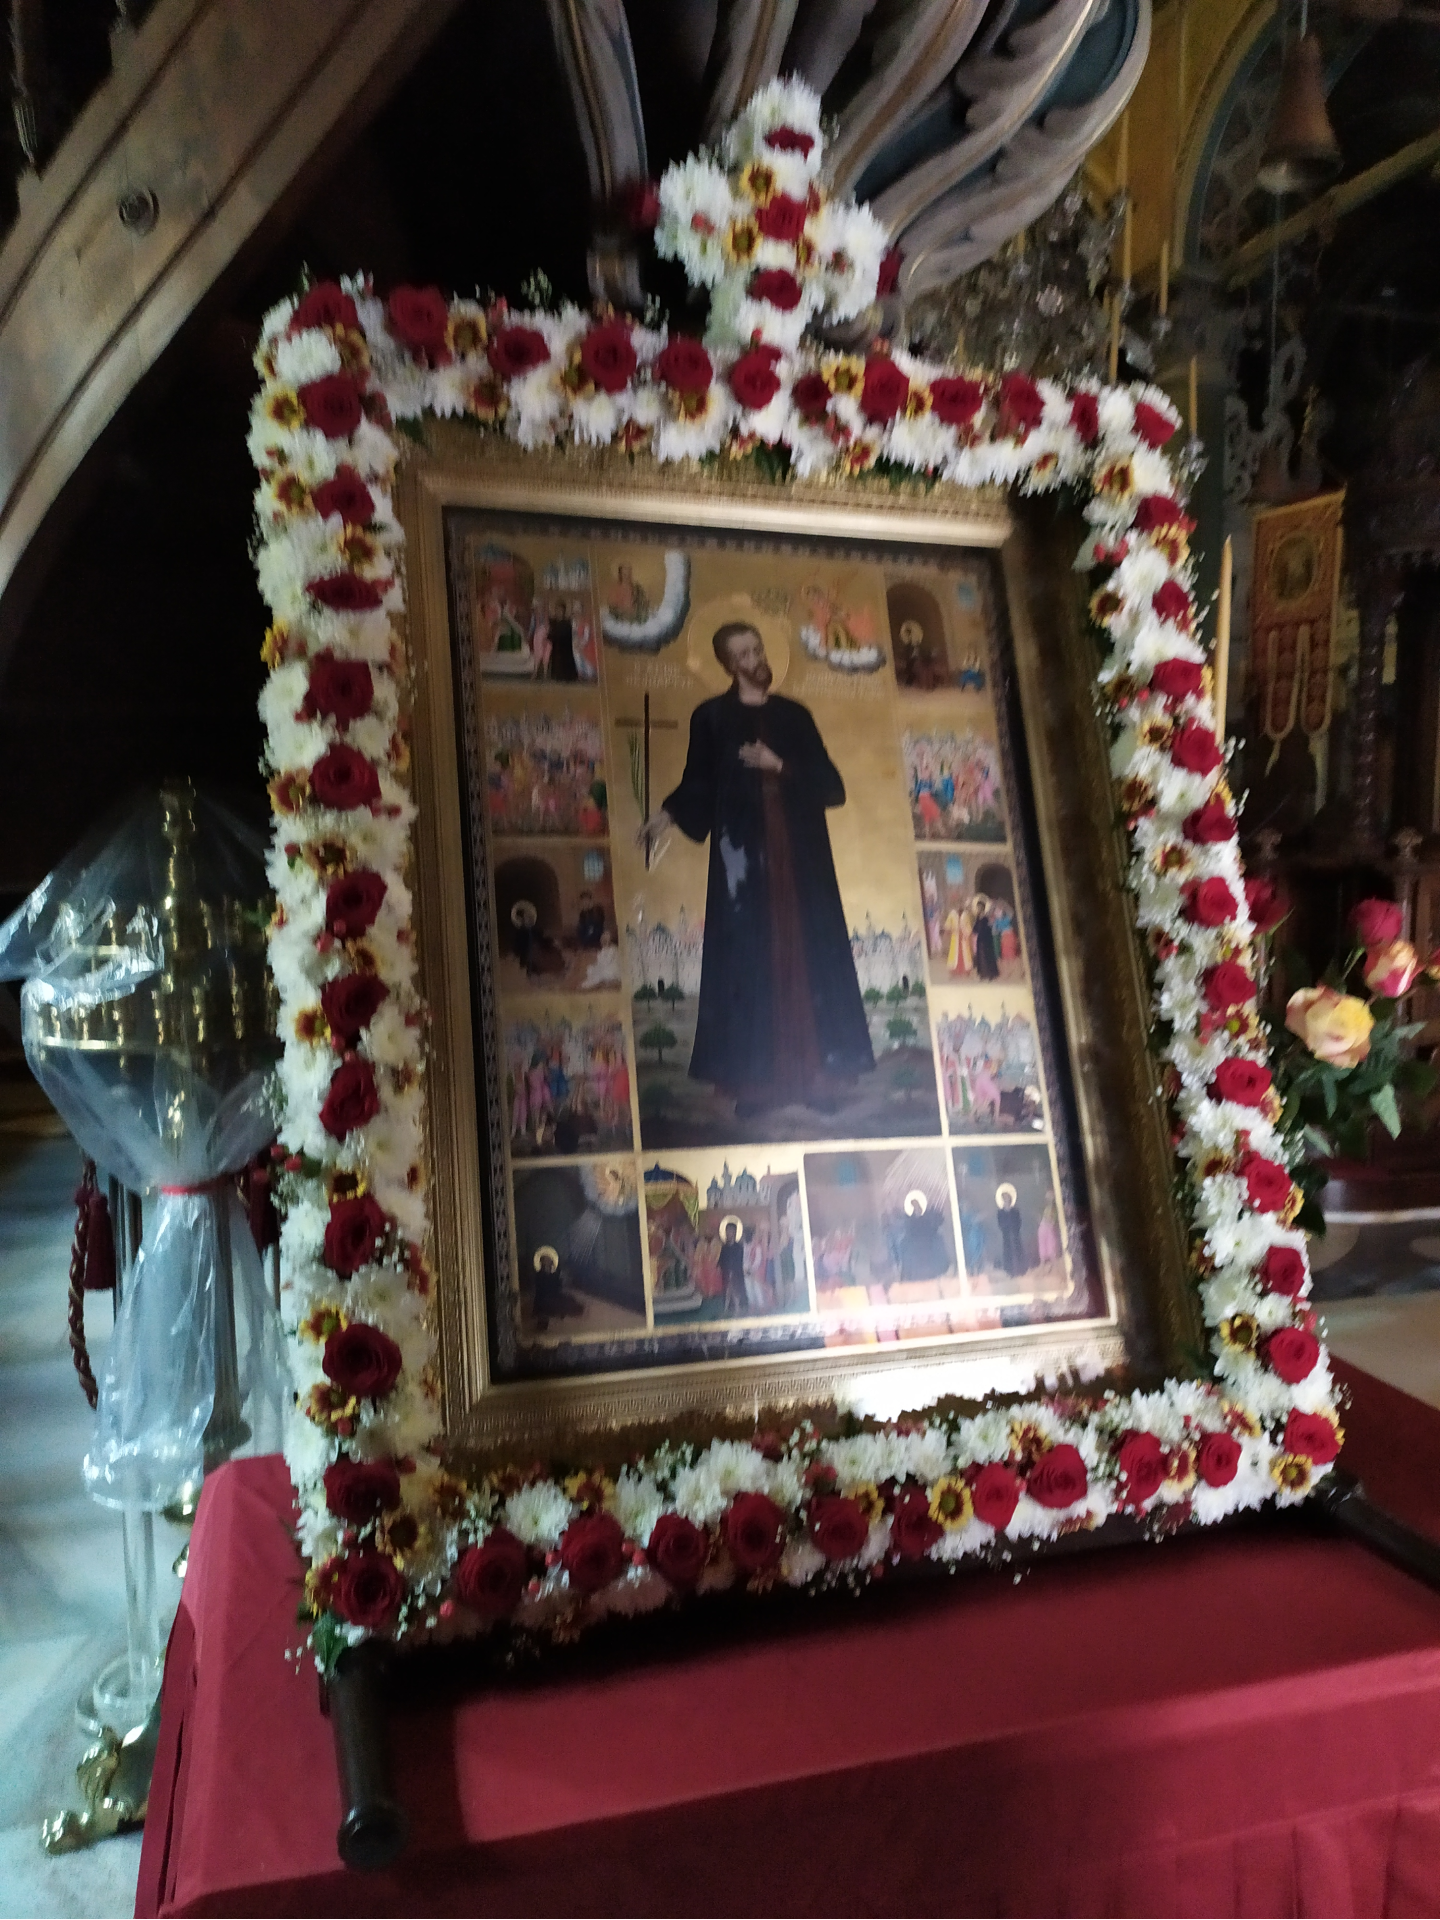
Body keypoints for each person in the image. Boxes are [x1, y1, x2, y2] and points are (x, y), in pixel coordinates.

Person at [639, 620, 874, 1117]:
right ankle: (756, 1088)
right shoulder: (711, 718)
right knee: (748, 964)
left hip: (800, 861)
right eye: (744, 654)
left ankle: (817, 1080)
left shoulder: (794, 716)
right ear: (728, 665)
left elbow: (832, 785)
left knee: (807, 957)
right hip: (741, 865)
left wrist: (779, 765)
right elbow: (697, 783)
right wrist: (665, 816)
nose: (756, 659)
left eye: (758, 648)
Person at [718, 1219, 747, 1316]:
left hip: (736, 1273)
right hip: (726, 1272)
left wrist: (733, 1270)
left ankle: (737, 1308)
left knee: (735, 1289)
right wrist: (721, 1267)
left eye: (730, 1231)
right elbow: (721, 1259)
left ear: (734, 1232)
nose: (728, 1233)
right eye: (727, 1231)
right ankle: (726, 1309)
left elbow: (739, 1260)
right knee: (727, 1290)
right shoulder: (724, 1247)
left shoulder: (738, 1247)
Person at [995, 1183, 1024, 1276]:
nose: (1006, 1199)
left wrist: (1014, 1228)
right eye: (1004, 1198)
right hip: (1006, 1234)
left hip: (1015, 1233)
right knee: (1007, 1251)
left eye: (1008, 1197)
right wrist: (1006, 1227)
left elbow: (1019, 1221)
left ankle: (1021, 1270)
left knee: (1018, 1250)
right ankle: (1009, 1271)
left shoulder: (1015, 1211)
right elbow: (1000, 1223)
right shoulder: (1000, 1212)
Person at [548, 597, 578, 682]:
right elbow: (552, 632)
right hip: (556, 648)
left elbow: (565, 635)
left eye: (560, 610)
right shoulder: (554, 622)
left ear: (563, 611)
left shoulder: (566, 623)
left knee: (564, 662)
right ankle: (557, 676)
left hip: (564, 648)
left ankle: (567, 677)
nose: (558, 612)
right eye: (557, 610)